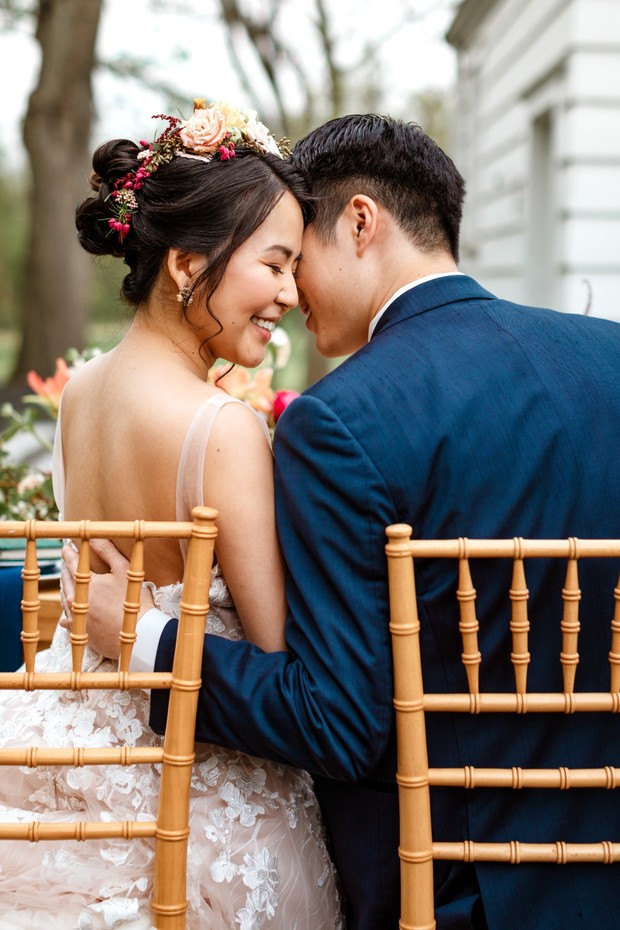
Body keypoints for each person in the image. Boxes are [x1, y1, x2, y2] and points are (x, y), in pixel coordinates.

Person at [71, 114, 620, 930]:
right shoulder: (607, 355)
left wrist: (147, 639)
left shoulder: (344, 420)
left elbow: (337, 720)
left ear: (361, 222)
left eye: (299, 255)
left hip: (451, 889)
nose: (291, 297)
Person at [0, 100, 343, 930]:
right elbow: (278, 658)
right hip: (190, 776)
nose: (292, 294)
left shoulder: (77, 393)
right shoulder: (222, 427)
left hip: (63, 743)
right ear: (189, 264)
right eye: (276, 264)